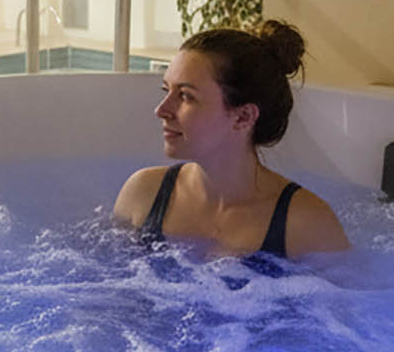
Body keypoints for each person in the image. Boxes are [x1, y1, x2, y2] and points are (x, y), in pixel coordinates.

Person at [113, 22, 349, 263]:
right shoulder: (143, 195)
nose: (161, 110)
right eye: (166, 91)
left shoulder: (307, 224)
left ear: (243, 117)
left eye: (185, 96)